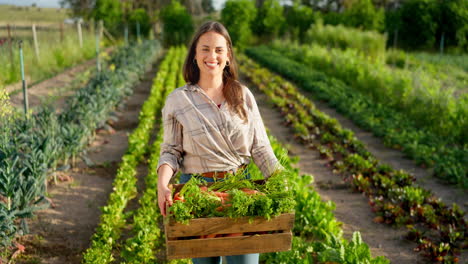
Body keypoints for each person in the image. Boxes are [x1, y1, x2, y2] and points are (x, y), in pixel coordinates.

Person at [157, 21, 282, 264]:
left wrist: (280, 180)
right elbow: (170, 151)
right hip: (197, 192)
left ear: (228, 56)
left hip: (239, 191)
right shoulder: (178, 100)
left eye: (218, 50)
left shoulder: (243, 96)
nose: (211, 56)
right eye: (205, 49)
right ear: (194, 54)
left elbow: (260, 147)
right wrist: (162, 184)